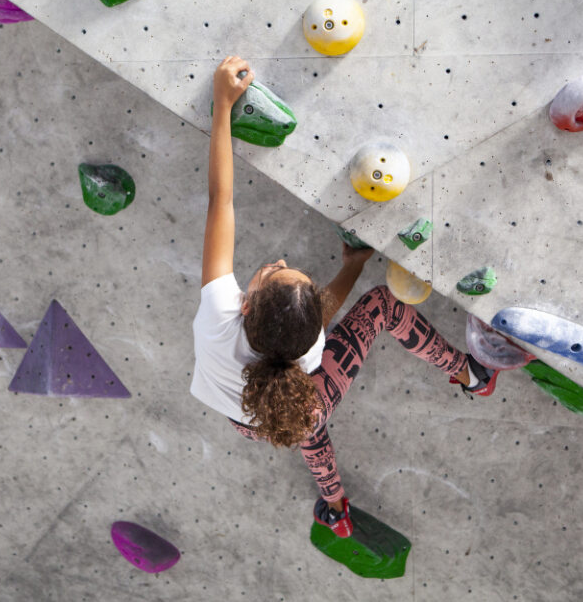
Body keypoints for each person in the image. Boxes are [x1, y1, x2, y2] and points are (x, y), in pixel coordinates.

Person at [191, 56, 499, 538]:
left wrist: (222, 105)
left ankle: (336, 508)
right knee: (381, 307)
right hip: (295, 405)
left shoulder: (219, 315)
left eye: (274, 271)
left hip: (248, 420)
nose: (274, 262)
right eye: (278, 270)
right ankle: (468, 373)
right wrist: (353, 266)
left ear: (245, 306)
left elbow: (220, 201)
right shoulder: (302, 346)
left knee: (309, 437)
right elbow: (326, 309)